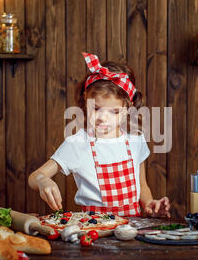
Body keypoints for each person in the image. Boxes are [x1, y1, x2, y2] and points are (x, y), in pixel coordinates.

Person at [28, 52, 170, 218]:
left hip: (132, 233)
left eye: (114, 111)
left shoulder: (136, 141)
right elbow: (34, 177)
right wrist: (42, 180)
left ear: (126, 109)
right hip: (95, 232)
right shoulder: (78, 143)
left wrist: (150, 205)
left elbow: (142, 187)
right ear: (85, 98)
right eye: (96, 108)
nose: (103, 117)